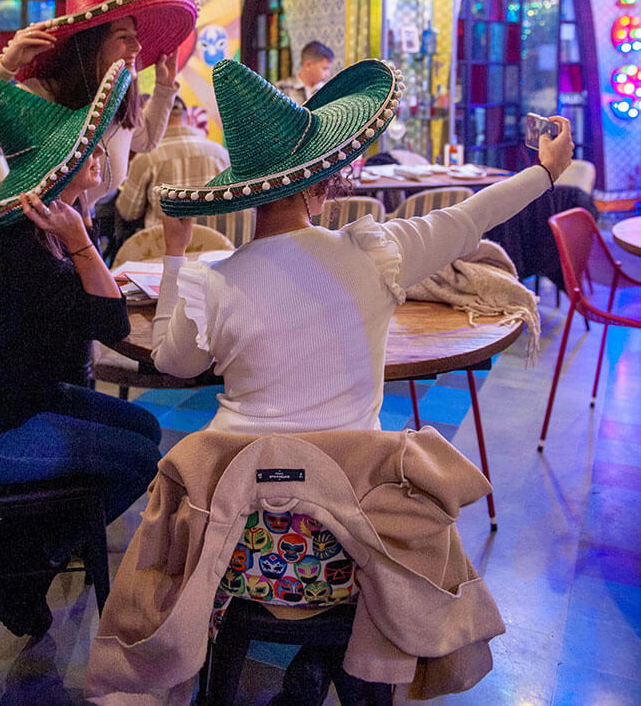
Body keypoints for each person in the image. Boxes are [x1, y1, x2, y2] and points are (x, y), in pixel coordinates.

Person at [146, 58, 572, 703]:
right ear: (318, 184)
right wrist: (546, 170)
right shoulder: (376, 256)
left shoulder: (216, 281)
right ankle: (340, 661)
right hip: (356, 530)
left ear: (248, 193)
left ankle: (295, 666)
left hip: (237, 538)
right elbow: (472, 216)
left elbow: (172, 363)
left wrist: (176, 255)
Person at [0, 61, 162, 637]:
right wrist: (83, 244)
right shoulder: (26, 247)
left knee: (143, 428)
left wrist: (78, 234)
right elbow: (111, 323)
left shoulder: (35, 231)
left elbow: (87, 316)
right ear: (54, 174)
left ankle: (35, 537)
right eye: (80, 152)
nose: (96, 156)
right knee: (142, 460)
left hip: (12, 400)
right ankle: (22, 560)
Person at [0, 0, 199, 210]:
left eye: (136, 36)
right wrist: (4, 66)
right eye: (123, 37)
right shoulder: (42, 97)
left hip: (81, 234)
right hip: (37, 244)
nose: (138, 47)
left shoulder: (117, 101)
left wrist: (165, 88)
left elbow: (147, 140)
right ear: (91, 46)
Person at [115, 94, 230, 231]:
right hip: (217, 246)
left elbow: (128, 212)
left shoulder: (146, 158)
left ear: (154, 118)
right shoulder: (221, 154)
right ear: (188, 118)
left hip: (163, 246)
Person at [276, 39, 334, 104]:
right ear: (308, 65)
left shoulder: (327, 91)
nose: (328, 74)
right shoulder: (281, 89)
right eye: (324, 69)